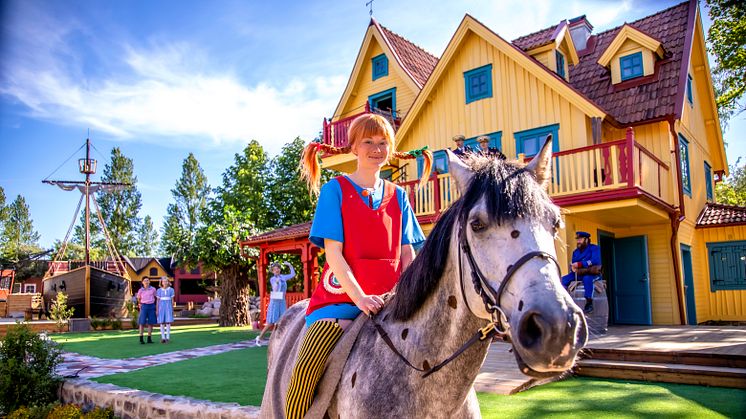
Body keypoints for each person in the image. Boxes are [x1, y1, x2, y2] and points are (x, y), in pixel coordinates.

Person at [285, 113, 431, 418]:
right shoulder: (334, 190)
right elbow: (333, 255)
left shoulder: (399, 196)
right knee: (305, 371)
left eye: (382, 143)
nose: (376, 148)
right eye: (368, 141)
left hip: (391, 301)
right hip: (341, 302)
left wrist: (410, 295)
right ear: (353, 147)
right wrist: (360, 298)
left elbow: (407, 255)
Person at [561, 231, 602, 314]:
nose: (578, 241)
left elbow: (595, 260)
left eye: (580, 239)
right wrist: (572, 267)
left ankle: (589, 303)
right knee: (562, 280)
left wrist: (580, 264)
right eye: (577, 240)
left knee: (587, 279)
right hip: (578, 273)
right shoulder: (575, 252)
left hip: (592, 273)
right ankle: (563, 301)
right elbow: (574, 263)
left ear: (586, 240)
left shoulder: (594, 248)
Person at [255, 261, 296, 345]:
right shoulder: (272, 279)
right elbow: (275, 289)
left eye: (278, 269)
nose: (276, 270)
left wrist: (290, 265)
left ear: (280, 270)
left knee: (282, 320)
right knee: (271, 322)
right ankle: (259, 338)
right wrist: (276, 283)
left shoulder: (283, 277)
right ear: (272, 271)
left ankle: (278, 339)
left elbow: (293, 274)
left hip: (282, 301)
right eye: (275, 269)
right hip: (275, 302)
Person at [136, 277, 158, 344]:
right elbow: (138, 299)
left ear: (149, 282)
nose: (146, 282)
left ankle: (149, 338)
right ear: (142, 282)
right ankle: (141, 338)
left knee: (151, 323)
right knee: (142, 323)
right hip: (144, 306)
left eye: (147, 280)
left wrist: (156, 308)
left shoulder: (153, 289)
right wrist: (140, 305)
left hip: (151, 306)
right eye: (145, 281)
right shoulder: (140, 290)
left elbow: (156, 297)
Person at [156, 277, 175, 343]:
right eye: (163, 281)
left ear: (168, 282)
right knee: (162, 322)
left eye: (166, 281)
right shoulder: (159, 290)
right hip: (161, 307)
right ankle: (163, 337)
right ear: (161, 282)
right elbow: (157, 301)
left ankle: (168, 337)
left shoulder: (171, 290)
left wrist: (172, 308)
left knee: (168, 321)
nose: (165, 282)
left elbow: (172, 300)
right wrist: (157, 309)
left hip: (168, 306)